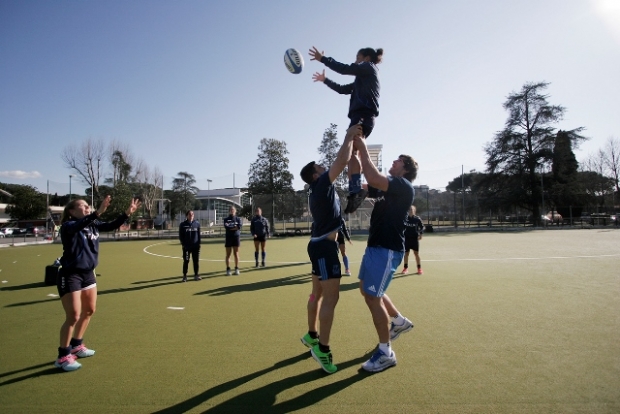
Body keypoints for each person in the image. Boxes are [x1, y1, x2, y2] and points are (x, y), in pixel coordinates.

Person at [353, 135, 417, 372]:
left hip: (387, 249)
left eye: (398, 160)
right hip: (374, 247)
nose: (394, 161)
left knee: (373, 298)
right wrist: (355, 157)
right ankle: (399, 321)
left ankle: (385, 352)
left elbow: (372, 177)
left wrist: (361, 148)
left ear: (406, 168)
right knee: (367, 291)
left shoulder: (402, 186)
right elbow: (362, 184)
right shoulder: (385, 188)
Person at [55, 195, 141, 371]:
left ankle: (77, 345)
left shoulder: (92, 224)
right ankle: (63, 356)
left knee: (90, 310)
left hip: (88, 274)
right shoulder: (68, 226)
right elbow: (80, 224)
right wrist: (96, 213)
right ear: (71, 211)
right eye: (83, 206)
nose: (87, 208)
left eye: (88, 206)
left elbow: (110, 226)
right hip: (71, 275)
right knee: (73, 316)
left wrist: (127, 213)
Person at [299, 123, 359, 374]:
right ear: (315, 175)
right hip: (324, 247)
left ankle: (312, 335)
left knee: (317, 294)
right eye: (318, 167)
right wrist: (348, 136)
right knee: (330, 298)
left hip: (318, 245)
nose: (322, 166)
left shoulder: (320, 187)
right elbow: (341, 161)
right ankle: (322, 349)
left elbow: (343, 163)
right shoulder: (322, 183)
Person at [309, 45, 383, 214]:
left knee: (352, 150)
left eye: (357, 57)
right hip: (362, 116)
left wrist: (323, 59)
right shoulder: (362, 80)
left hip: (363, 115)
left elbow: (344, 69)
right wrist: (325, 80)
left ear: (366, 58)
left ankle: (359, 189)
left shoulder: (368, 68)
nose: (355, 61)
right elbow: (343, 89)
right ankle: (358, 189)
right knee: (352, 153)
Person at [179, 210, 201, 282]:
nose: (191, 216)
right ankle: (185, 276)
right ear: (187, 216)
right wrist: (184, 244)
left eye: (192, 214)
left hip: (195, 247)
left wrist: (199, 244)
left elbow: (199, 235)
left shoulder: (197, 224)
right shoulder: (183, 225)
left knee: (196, 261)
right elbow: (181, 236)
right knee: (186, 261)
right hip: (187, 247)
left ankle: (196, 275)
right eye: (189, 214)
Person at [402, 205, 424, 275]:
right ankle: (405, 268)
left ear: (414, 211)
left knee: (416, 254)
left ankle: (419, 268)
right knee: (406, 254)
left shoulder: (417, 219)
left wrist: (420, 234)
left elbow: (422, 227)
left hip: (414, 239)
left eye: (412, 210)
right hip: (406, 239)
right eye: (409, 210)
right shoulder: (405, 219)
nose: (410, 211)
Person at [223, 205, 242, 275]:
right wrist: (234, 227)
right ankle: (228, 269)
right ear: (229, 211)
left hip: (236, 237)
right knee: (228, 254)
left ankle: (237, 268)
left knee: (236, 253)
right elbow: (227, 227)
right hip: (228, 238)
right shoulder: (226, 219)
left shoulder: (238, 219)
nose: (232, 211)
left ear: (235, 211)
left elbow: (238, 227)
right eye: (231, 209)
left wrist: (232, 228)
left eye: (233, 209)